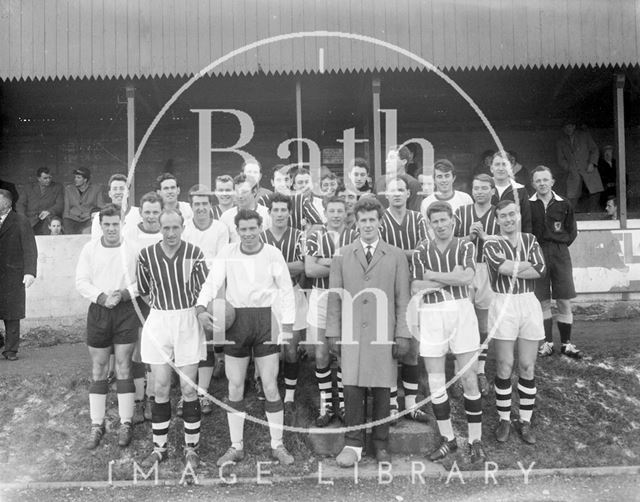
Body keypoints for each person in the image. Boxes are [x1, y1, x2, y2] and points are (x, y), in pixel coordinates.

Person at [196, 208, 296, 467]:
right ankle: (236, 446)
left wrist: (287, 325)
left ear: (260, 227)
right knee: (235, 385)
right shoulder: (228, 252)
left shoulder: (273, 254)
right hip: (236, 321)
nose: (249, 234)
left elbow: (286, 290)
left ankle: (277, 445)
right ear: (237, 231)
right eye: (244, 229)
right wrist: (200, 307)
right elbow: (211, 282)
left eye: (253, 228)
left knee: (271, 385)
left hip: (266, 321)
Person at [326, 197, 412, 467]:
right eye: (362, 220)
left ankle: (381, 443)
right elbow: (334, 297)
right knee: (351, 386)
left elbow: (402, 298)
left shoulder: (395, 255)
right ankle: (353, 443)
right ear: (356, 223)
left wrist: (402, 333)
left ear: (380, 222)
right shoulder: (342, 254)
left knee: (382, 388)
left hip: (383, 330)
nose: (367, 225)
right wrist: (332, 331)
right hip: (351, 331)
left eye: (372, 220)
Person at [411, 201, 486, 464]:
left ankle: (476, 440)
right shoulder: (422, 248)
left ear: (452, 221)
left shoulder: (465, 245)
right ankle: (449, 439)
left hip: (461, 312)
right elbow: (416, 286)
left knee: (468, 380)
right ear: (429, 224)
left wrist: (434, 276)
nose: (440, 225)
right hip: (431, 313)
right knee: (435, 381)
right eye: (435, 222)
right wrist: (447, 277)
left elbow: (467, 279)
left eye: (444, 220)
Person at [137, 209, 209, 469]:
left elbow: (205, 290)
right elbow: (144, 291)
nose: (170, 233)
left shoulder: (194, 253)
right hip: (159, 320)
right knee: (161, 388)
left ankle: (192, 448)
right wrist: (162, 309)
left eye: (175, 227)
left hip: (187, 320)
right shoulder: (146, 255)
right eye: (165, 228)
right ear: (159, 227)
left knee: (189, 388)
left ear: (182, 226)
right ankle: (160, 448)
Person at [75, 204, 139, 449]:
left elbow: (141, 283)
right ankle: (96, 424)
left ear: (122, 224)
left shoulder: (132, 249)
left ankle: (126, 422)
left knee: (124, 364)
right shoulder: (90, 249)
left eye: (116, 224)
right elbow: (81, 281)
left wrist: (122, 295)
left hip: (124, 311)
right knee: (99, 366)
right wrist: (102, 297)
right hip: (100, 310)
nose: (112, 228)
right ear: (100, 226)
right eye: (107, 224)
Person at [484, 200, 546, 445]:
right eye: (503, 216)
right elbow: (501, 267)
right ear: (497, 219)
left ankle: (525, 420)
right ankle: (504, 419)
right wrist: (522, 266)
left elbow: (540, 269)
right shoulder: (491, 242)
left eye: (512, 214)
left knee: (527, 366)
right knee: (504, 364)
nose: (508, 219)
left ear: (518, 215)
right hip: (503, 302)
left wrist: (513, 269)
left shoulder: (530, 239)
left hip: (528, 302)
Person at [379, 175, 429, 423]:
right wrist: (405, 255)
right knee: (389, 346)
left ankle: (411, 403)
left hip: (413, 289)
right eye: (392, 190)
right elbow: (379, 252)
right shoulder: (381, 219)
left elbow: (423, 251)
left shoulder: (418, 218)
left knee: (412, 347)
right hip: (386, 289)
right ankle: (390, 404)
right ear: (385, 194)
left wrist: (395, 253)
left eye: (401, 189)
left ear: (409, 193)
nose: (397, 193)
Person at [305, 196, 358, 427]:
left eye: (340, 211)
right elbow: (310, 270)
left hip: (346, 298)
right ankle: (326, 403)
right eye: (331, 211)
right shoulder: (315, 235)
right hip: (321, 296)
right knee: (321, 354)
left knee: (343, 353)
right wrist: (338, 264)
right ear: (324, 213)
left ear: (346, 213)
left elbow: (357, 269)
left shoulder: (355, 235)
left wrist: (327, 261)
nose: (336, 215)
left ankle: (344, 404)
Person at [181, 186, 230, 414]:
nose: (201, 208)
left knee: (208, 339)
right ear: (191, 207)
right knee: (190, 342)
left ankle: (203, 393)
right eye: (196, 204)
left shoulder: (220, 228)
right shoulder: (185, 229)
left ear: (210, 206)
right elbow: (183, 260)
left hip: (212, 287)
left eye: (204, 204)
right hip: (188, 288)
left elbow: (220, 262)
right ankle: (186, 394)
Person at [260, 193, 306, 424]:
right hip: (268, 297)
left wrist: (274, 266)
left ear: (289, 212)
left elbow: (303, 266)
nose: (279, 214)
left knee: (290, 347)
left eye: (283, 210)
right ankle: (267, 389)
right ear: (269, 213)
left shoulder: (299, 236)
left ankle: (289, 395)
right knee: (268, 347)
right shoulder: (260, 236)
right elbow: (256, 269)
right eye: (275, 210)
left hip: (293, 294)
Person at [454, 174, 500, 396]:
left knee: (483, 322)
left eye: (484, 188)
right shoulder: (462, 213)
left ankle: (480, 370)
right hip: (466, 269)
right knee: (462, 321)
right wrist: (468, 238)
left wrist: (486, 236)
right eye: (476, 188)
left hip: (489, 270)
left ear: (492, 190)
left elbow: (509, 242)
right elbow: (449, 244)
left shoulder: (500, 213)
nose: (479, 191)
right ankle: (459, 372)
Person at [529, 166, 582, 360]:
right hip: (537, 253)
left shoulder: (564, 204)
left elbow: (571, 231)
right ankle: (547, 343)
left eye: (545, 179)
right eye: (538, 180)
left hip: (560, 253)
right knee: (542, 300)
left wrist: (557, 246)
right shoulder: (528, 204)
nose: (542, 183)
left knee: (563, 300)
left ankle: (567, 344)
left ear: (552, 182)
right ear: (533, 184)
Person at [122, 191, 164, 422]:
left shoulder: (167, 231)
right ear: (141, 212)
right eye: (147, 212)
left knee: (156, 350)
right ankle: (139, 400)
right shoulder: (131, 233)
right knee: (139, 350)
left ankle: (153, 397)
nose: (151, 216)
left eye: (155, 212)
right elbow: (129, 268)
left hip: (162, 301)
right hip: (140, 298)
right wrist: (142, 293)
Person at [0, 189, 37, 360]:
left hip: (13, 275)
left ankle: (11, 350)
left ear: (7, 202)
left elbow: (30, 248)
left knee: (12, 314)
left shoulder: (20, 220)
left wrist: (30, 272)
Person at [259, 165, 323, 231]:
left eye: (286, 179)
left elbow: (318, 224)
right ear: (272, 182)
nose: (283, 184)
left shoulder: (300, 200)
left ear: (291, 182)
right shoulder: (263, 201)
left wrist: (303, 239)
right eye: (279, 180)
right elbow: (256, 225)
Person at [556, 118, 603, 211]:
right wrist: (569, 168)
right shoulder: (560, 142)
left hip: (588, 170)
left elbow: (594, 150)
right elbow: (561, 160)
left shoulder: (584, 136)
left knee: (594, 192)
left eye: (570, 126)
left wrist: (592, 163)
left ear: (574, 127)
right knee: (572, 196)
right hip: (573, 173)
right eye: (565, 127)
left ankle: (592, 213)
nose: (568, 129)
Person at [220, 173, 272, 242]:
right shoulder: (226, 217)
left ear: (254, 191)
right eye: (237, 192)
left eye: (244, 192)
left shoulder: (268, 215)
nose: (240, 196)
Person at [490, 151, 532, 233]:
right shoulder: (484, 188)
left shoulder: (520, 190)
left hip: (513, 242)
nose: (501, 168)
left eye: (504, 164)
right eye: (497, 164)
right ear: (491, 168)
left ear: (511, 167)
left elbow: (526, 222)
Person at [90, 174, 141, 240]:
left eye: (122, 189)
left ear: (128, 193)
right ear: (110, 194)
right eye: (115, 189)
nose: (118, 192)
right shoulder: (98, 216)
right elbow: (96, 242)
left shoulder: (139, 214)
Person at [17, 167, 64, 235]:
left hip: (48, 218)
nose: (48, 180)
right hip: (30, 219)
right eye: (45, 178)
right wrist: (23, 218)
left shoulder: (57, 187)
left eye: (50, 177)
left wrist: (49, 211)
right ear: (38, 178)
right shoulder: (28, 187)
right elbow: (20, 204)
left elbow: (60, 205)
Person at [378, 147, 424, 212]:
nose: (387, 161)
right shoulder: (380, 181)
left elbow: (415, 212)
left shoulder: (413, 183)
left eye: (391, 158)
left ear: (404, 162)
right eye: (387, 158)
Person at [63, 167, 105, 234]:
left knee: (88, 233)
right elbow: (66, 209)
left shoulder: (96, 189)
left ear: (85, 179)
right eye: (75, 177)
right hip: (72, 218)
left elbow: (101, 206)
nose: (75, 179)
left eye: (78, 177)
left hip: (88, 218)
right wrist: (66, 220)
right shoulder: (69, 189)